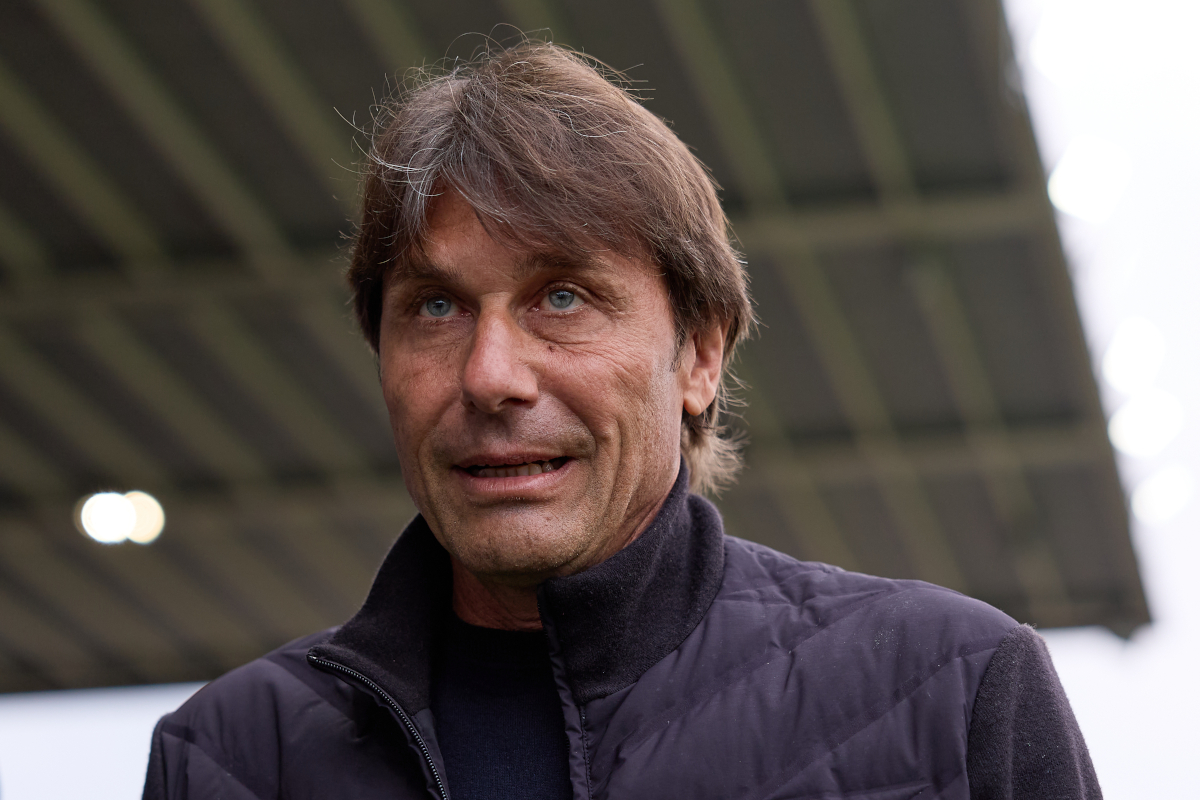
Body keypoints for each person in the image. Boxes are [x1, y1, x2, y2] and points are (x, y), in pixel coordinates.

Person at [142, 41, 1100, 800]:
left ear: (699, 355)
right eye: (435, 308)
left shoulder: (955, 689)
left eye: (562, 297)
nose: (490, 376)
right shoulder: (226, 760)